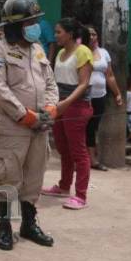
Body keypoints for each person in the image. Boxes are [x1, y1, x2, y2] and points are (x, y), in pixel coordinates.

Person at [0, 0, 58, 251]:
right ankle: (4, 226)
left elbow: (50, 81)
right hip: (11, 129)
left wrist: (51, 108)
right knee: (7, 177)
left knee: (34, 178)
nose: (36, 26)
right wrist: (24, 116)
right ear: (15, 26)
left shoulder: (37, 50)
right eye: (30, 22)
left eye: (35, 21)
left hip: (40, 127)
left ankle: (29, 224)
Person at [41, 18, 93, 210]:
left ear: (70, 34)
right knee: (63, 149)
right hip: (59, 105)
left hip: (77, 106)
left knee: (79, 151)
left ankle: (81, 195)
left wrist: (66, 102)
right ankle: (64, 186)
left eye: (58, 32)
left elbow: (83, 83)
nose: (55, 36)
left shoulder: (83, 52)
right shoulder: (61, 52)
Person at [85, 26, 123, 170]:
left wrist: (117, 93)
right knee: (82, 128)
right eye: (89, 34)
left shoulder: (103, 53)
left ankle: (92, 160)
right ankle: (83, 160)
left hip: (99, 96)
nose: (92, 37)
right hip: (83, 98)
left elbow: (110, 75)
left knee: (92, 127)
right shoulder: (79, 51)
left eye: (94, 34)